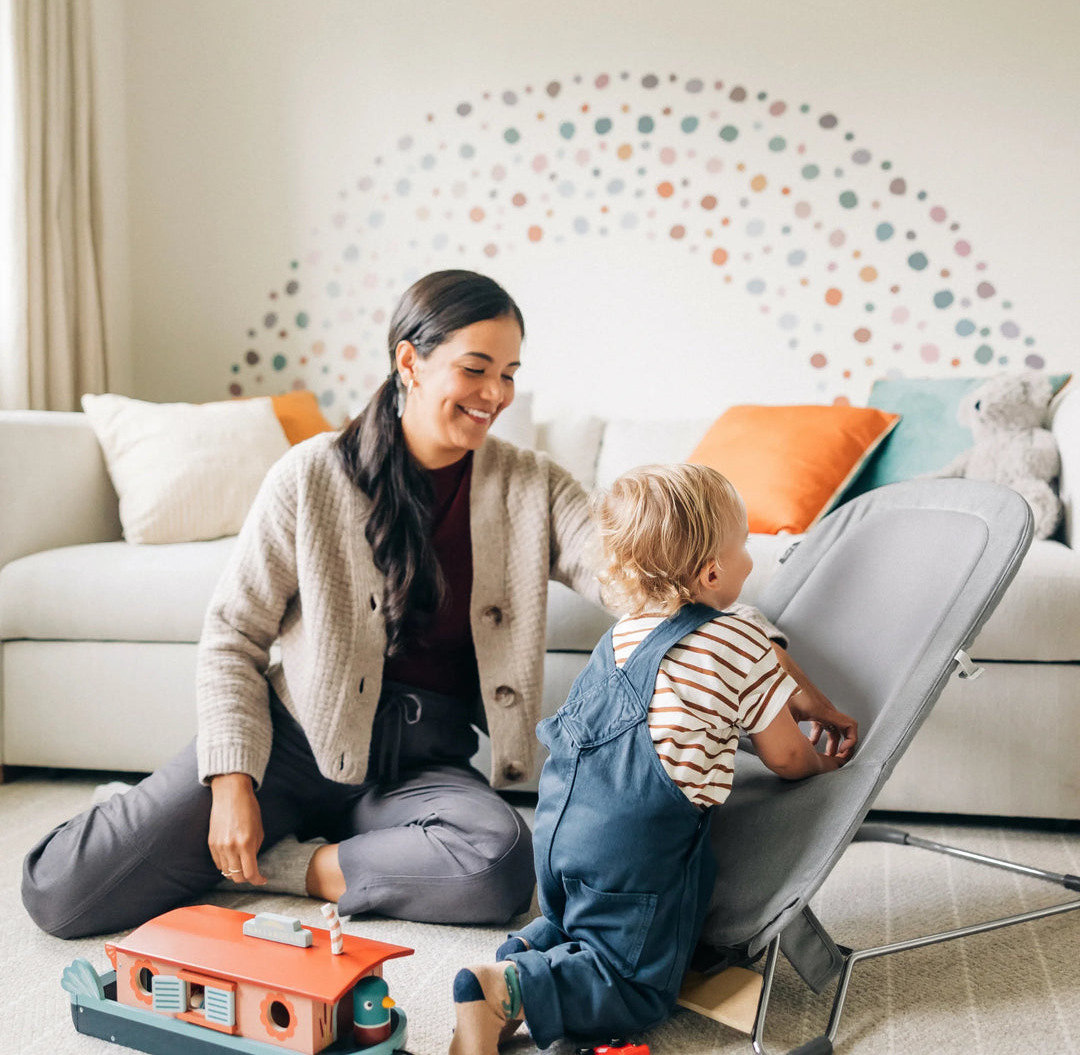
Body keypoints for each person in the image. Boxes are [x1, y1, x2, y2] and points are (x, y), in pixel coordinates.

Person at [22, 269, 854, 942]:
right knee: (62, 895)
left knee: (497, 868)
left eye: (510, 374)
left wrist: (779, 674)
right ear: (409, 361)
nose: (495, 393)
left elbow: (645, 573)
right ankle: (142, 812)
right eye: (476, 368)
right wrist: (231, 781)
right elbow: (232, 634)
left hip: (421, 764)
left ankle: (289, 866)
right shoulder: (312, 475)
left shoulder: (531, 486)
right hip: (290, 745)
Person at [449, 463, 857, 1055]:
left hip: (562, 824)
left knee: (577, 924)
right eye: (744, 545)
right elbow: (787, 756)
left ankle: (530, 959)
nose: (750, 557)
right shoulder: (740, 641)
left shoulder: (622, 633)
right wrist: (824, 765)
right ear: (712, 571)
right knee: (636, 985)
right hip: (636, 847)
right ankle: (505, 990)